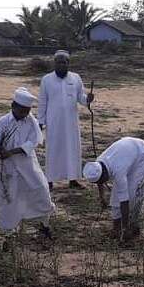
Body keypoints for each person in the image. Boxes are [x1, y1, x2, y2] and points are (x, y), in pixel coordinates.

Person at [0, 87, 55, 242]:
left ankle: (44, 225)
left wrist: (12, 152)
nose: (25, 113)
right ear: (13, 106)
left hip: (27, 165)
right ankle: (9, 232)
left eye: (27, 110)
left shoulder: (31, 122)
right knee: (8, 198)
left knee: (41, 190)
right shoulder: (2, 122)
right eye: (22, 110)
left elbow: (34, 142)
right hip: (7, 168)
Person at [83, 137, 144, 241]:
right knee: (116, 195)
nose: (101, 183)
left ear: (104, 175)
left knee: (133, 193)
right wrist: (102, 197)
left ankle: (133, 227)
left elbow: (124, 201)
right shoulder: (98, 164)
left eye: (101, 181)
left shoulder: (118, 171)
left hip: (142, 154)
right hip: (128, 152)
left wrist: (125, 228)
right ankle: (116, 228)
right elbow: (99, 180)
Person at [38, 50, 94, 190]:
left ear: (68, 63)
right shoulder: (46, 80)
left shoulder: (75, 78)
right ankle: (49, 180)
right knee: (53, 150)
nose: (61, 65)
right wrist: (41, 121)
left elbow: (80, 97)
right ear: (54, 63)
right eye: (59, 62)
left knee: (72, 149)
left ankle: (73, 179)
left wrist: (88, 99)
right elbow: (42, 102)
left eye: (64, 62)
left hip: (71, 123)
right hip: (53, 122)